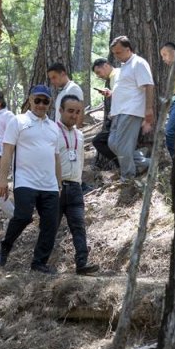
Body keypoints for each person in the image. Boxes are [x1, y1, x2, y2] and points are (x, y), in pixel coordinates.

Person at [0, 85, 61, 274]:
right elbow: (7, 152)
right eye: (37, 100)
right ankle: (6, 245)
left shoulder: (53, 127)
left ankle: (39, 262)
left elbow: (56, 157)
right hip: (25, 180)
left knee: (50, 223)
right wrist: (3, 180)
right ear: (30, 100)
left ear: (50, 103)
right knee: (23, 216)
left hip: (49, 184)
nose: (41, 105)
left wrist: (59, 183)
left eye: (45, 101)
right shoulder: (18, 121)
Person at [97, 36, 154, 179]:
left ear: (128, 49)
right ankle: (148, 163)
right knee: (112, 143)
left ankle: (128, 177)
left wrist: (148, 109)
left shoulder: (138, 63)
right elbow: (126, 88)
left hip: (131, 111)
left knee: (122, 147)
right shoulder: (124, 67)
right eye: (114, 53)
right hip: (118, 112)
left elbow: (149, 85)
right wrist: (111, 93)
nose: (116, 56)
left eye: (118, 52)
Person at [56, 95, 99, 275]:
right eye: (70, 111)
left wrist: (79, 181)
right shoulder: (52, 131)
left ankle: (82, 263)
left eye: (77, 112)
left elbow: (79, 159)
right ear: (61, 111)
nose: (74, 115)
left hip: (75, 187)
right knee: (50, 227)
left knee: (78, 226)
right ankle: (39, 263)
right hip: (55, 187)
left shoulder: (79, 135)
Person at [90, 58, 119, 169]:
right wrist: (110, 93)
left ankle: (124, 165)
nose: (98, 76)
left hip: (121, 116)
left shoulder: (117, 75)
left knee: (101, 141)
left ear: (106, 65)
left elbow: (124, 94)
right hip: (116, 116)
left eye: (98, 72)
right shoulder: (113, 77)